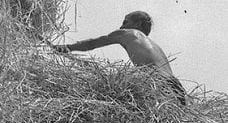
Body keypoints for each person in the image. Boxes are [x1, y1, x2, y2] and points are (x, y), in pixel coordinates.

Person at [52, 10, 186, 104]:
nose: (121, 26)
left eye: (126, 21)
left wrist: (67, 48)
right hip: (176, 87)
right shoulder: (157, 47)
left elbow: (93, 43)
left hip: (156, 83)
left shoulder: (128, 33)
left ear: (138, 24)